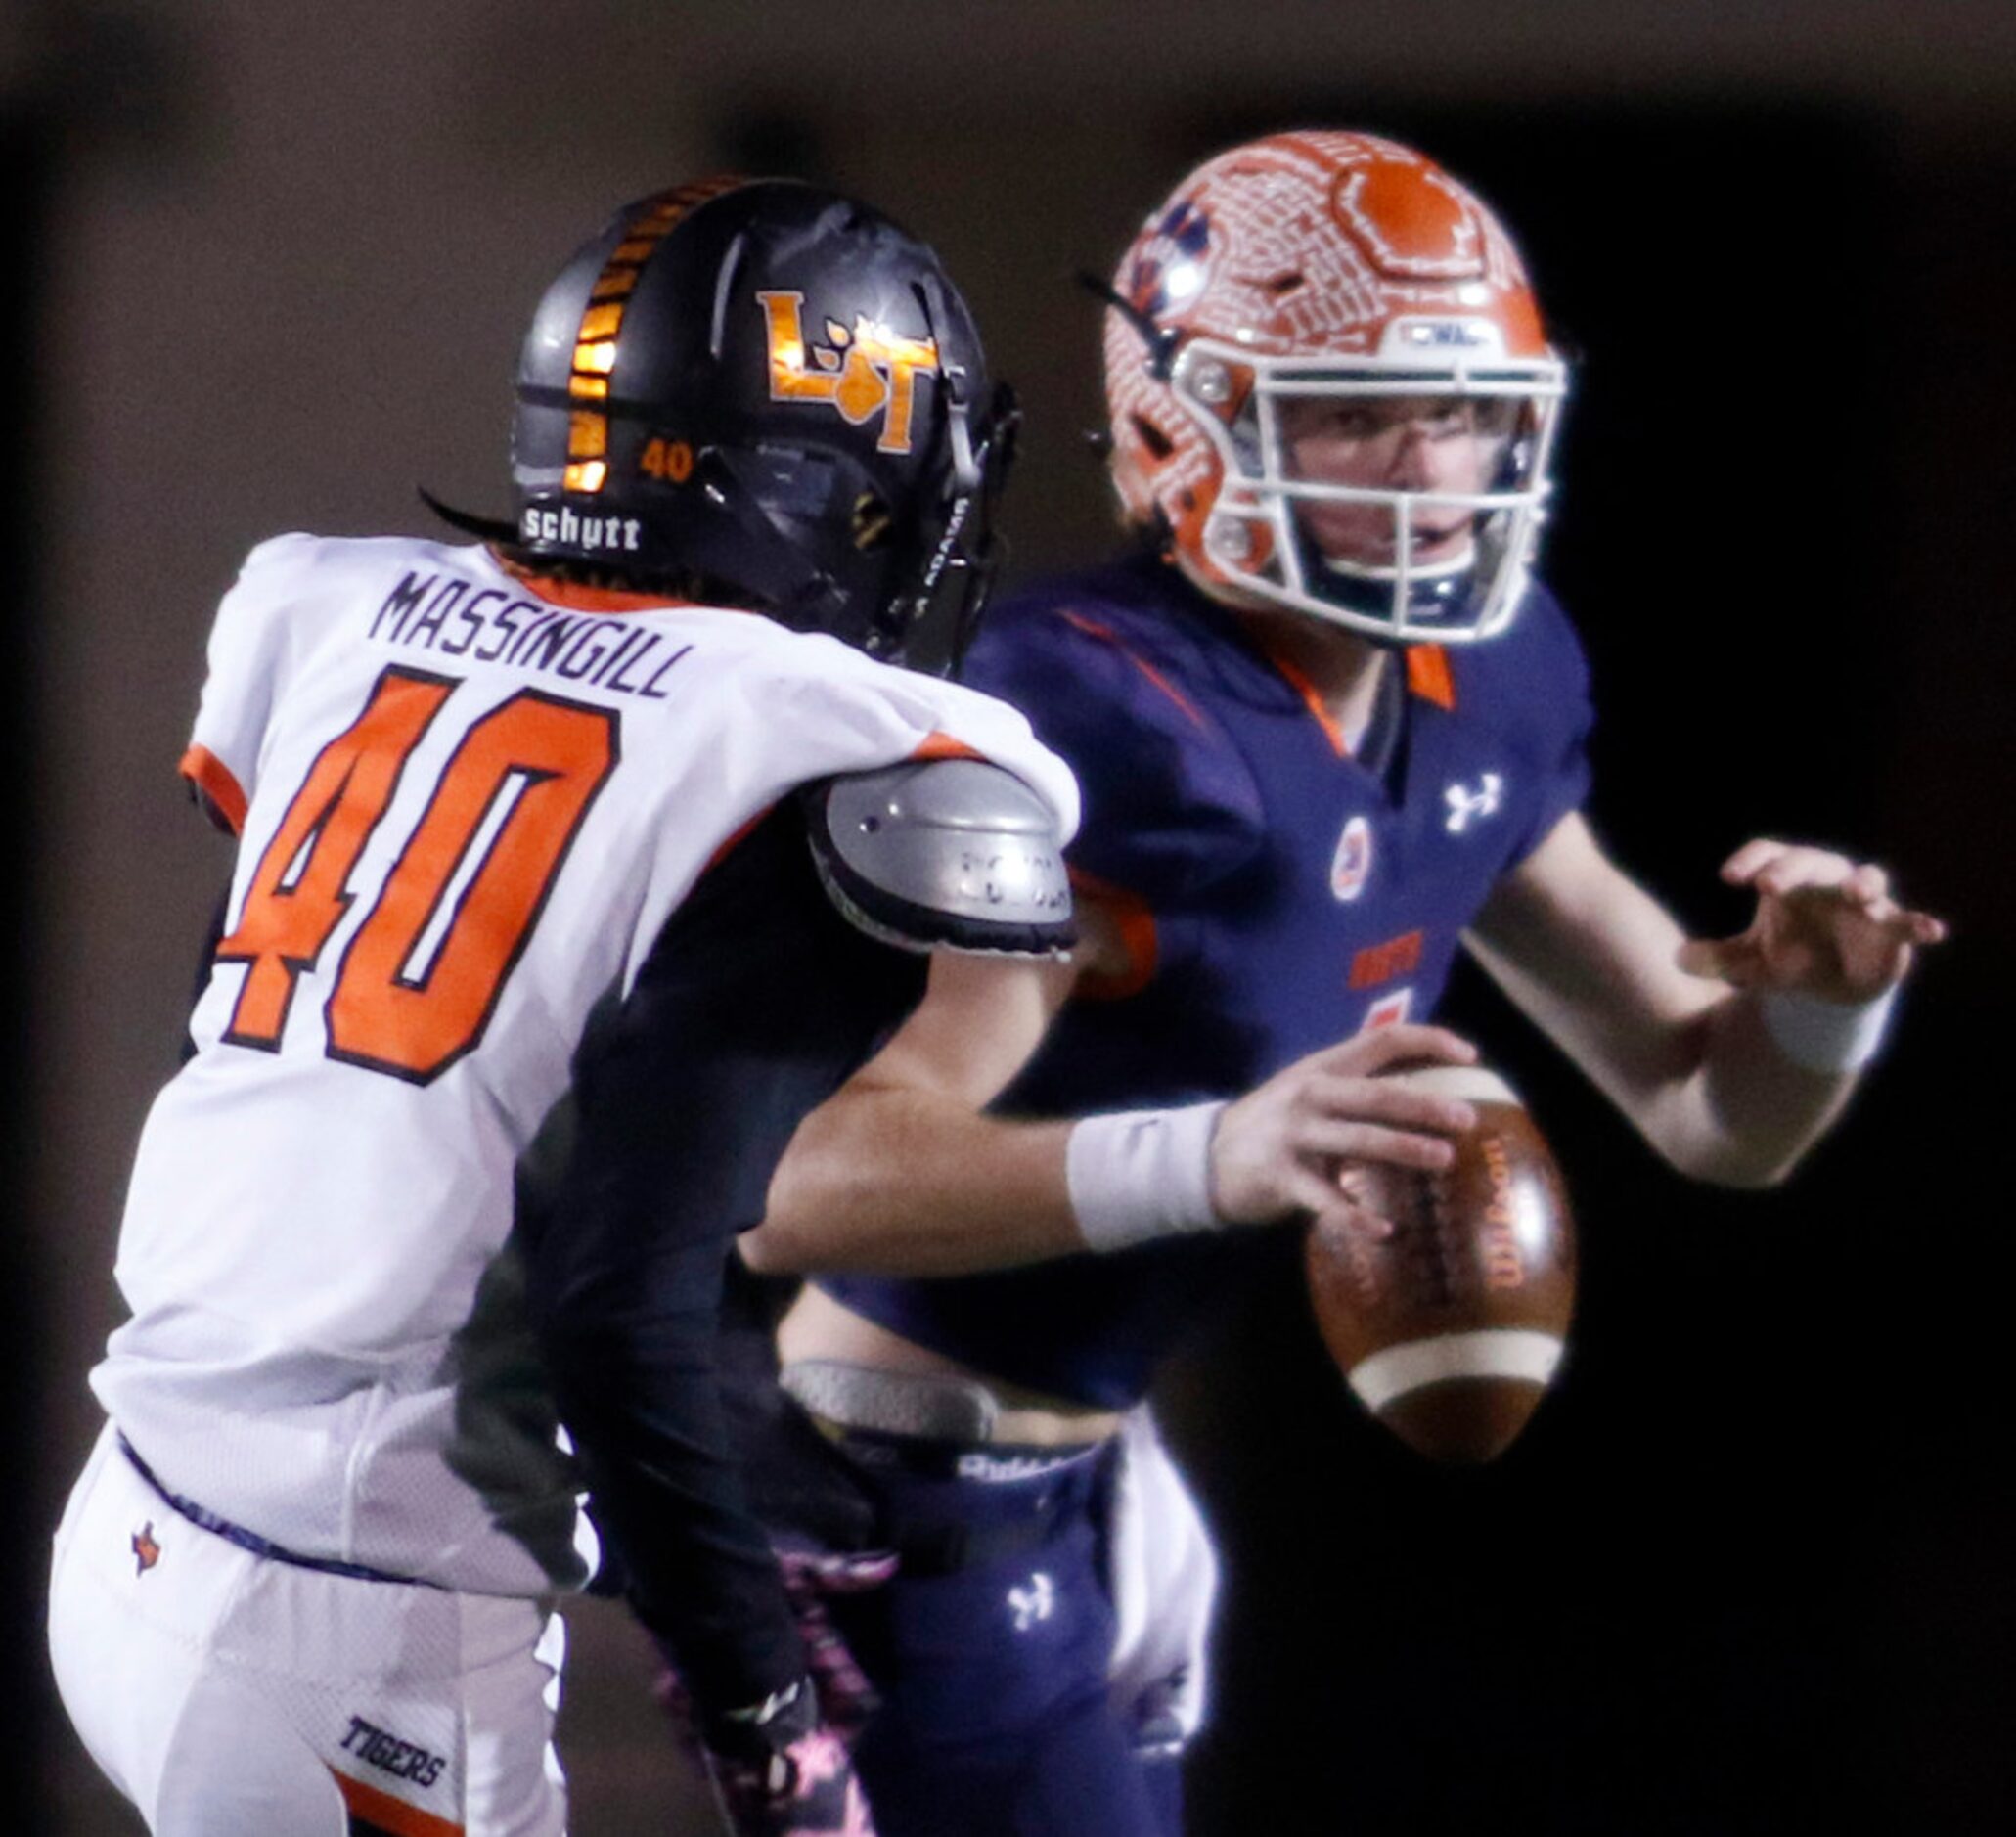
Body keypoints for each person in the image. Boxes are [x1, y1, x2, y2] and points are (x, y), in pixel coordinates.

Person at [724, 131, 1949, 1837]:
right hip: (894, 1481)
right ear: (1181, 430)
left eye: (1462, 410)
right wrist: (1219, 1154)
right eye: (1358, 410)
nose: (1432, 464)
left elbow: (1708, 1110)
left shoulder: (1486, 687)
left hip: (1085, 1464)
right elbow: (802, 1188)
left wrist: (1819, 1006)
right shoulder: (1100, 723)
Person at [45, 175, 1080, 1837]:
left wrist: (710, 1419)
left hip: (131, 1526)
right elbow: (615, 1298)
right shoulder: (815, 737)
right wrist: (763, 1706)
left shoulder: (345, 611)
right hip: (358, 1632)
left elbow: (313, 1105)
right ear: (838, 477)